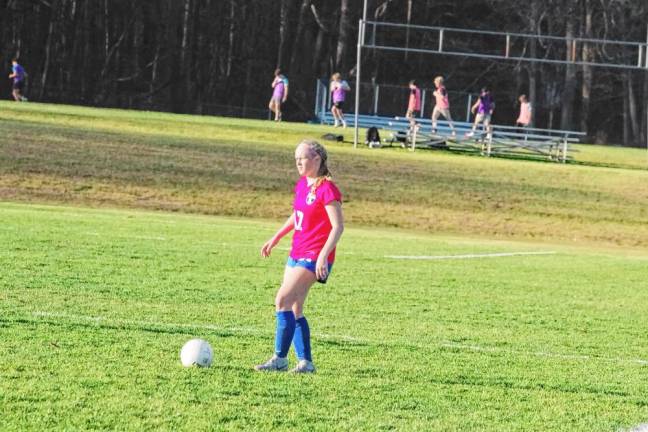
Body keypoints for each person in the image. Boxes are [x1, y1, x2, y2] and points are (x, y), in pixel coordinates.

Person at [256, 139, 344, 374]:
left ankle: (279, 359)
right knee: (294, 308)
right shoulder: (303, 184)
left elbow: (338, 226)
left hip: (314, 255)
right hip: (297, 252)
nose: (298, 162)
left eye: (302, 158)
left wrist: (324, 255)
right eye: (296, 158)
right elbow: (297, 217)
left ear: (317, 160)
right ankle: (306, 362)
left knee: (281, 300)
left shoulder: (327, 189)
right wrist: (276, 237)